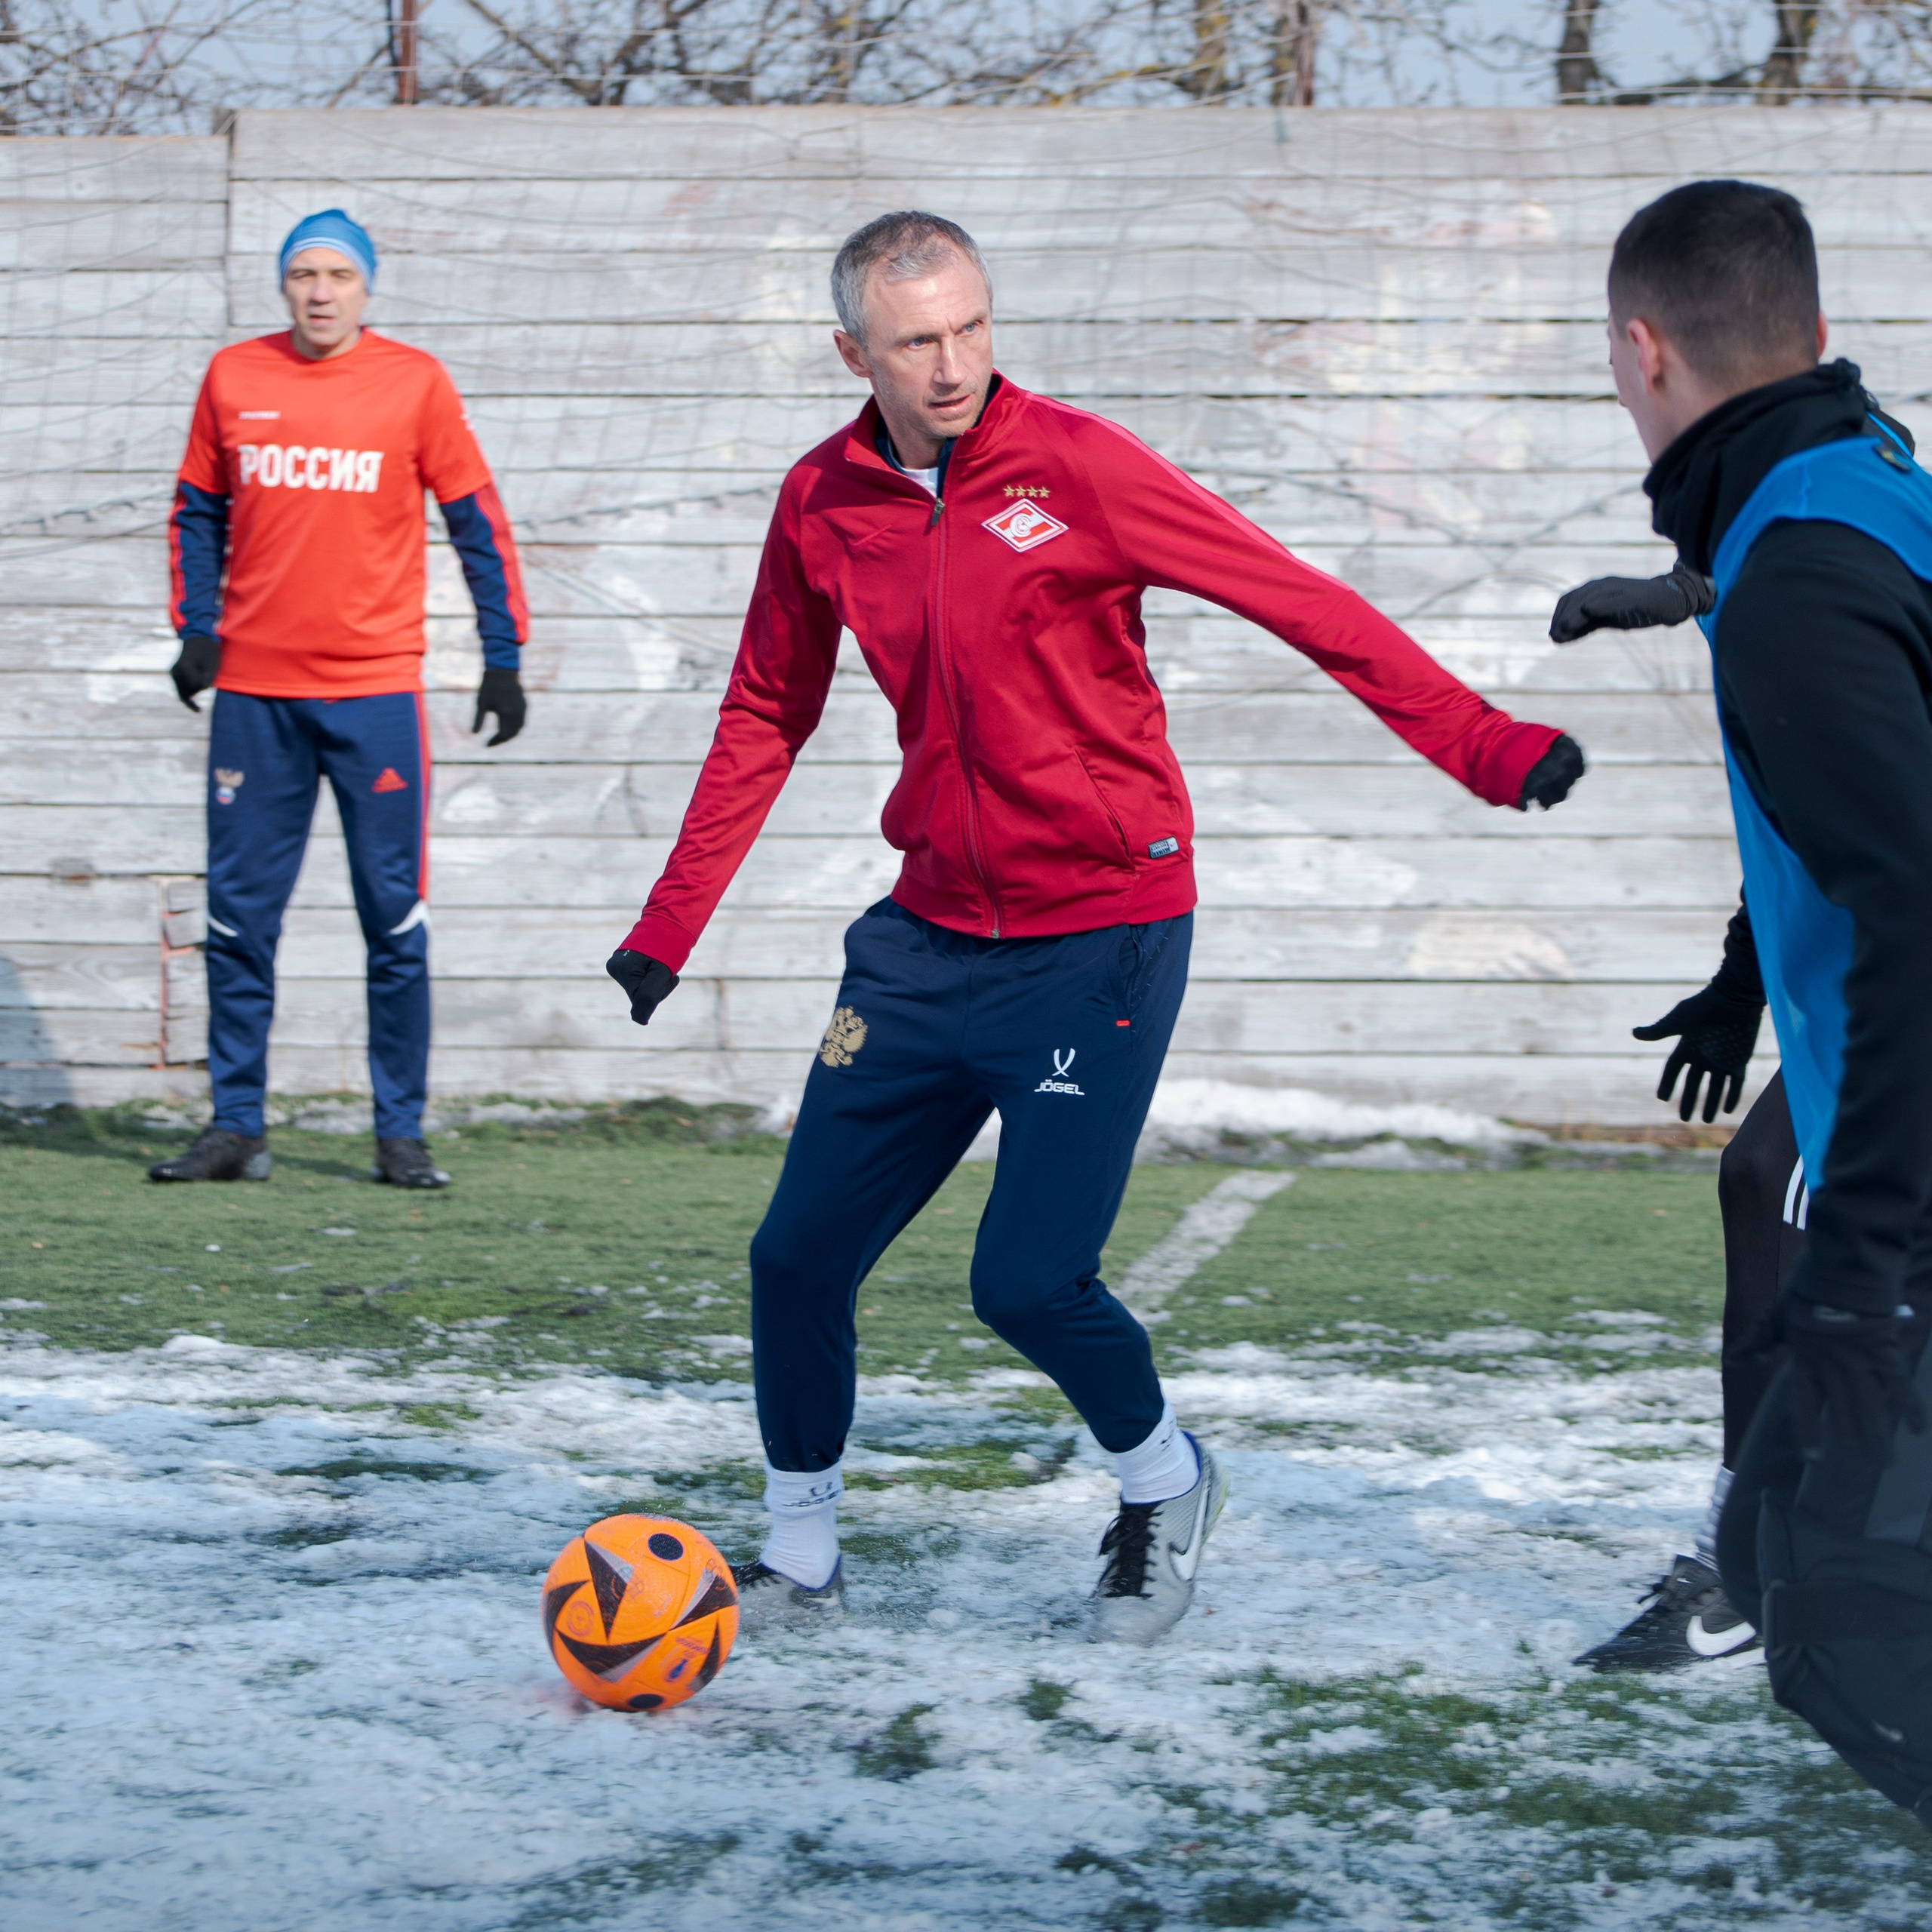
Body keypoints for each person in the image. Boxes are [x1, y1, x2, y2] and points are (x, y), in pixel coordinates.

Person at [606, 210, 1585, 1641]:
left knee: (1025, 1281)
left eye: (970, 329)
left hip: (1100, 931)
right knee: (795, 1257)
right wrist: (669, 923)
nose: (953, 367)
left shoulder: (1078, 467)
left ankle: (1164, 1479)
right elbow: (767, 705)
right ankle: (801, 1554)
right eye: (916, 342)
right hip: (924, 941)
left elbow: (1300, 601)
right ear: (854, 354)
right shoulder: (823, 501)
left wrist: (1486, 746)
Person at [1589, 177, 1932, 1816]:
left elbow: (1916, 903)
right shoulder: (1860, 467)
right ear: (1810, 332)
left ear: (1639, 351)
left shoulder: (1796, 571)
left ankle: (1756, 1577)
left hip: (1905, 1110)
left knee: (1838, 1620)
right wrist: (1745, 970)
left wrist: (1861, 1271)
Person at [149, 210, 529, 1192]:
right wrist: (196, 627)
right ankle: (236, 1129)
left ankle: (399, 1134)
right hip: (256, 700)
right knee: (238, 922)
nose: (320, 292)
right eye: (303, 274)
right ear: (285, 285)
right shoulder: (235, 376)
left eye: (339, 275)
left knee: (393, 922)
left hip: (374, 697)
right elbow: (195, 511)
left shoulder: (414, 383)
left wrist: (502, 656)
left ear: (366, 286)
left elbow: (478, 523)